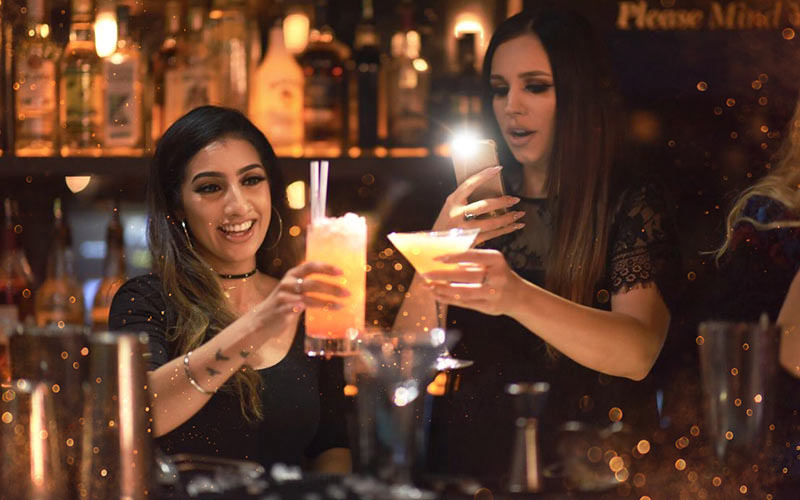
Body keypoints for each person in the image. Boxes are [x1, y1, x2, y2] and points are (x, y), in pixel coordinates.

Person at [394, 6, 677, 482]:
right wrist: (436, 257)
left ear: (580, 94)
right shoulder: (468, 203)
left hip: (584, 468)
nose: (512, 106)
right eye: (500, 89)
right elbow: (404, 367)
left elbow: (637, 353)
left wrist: (517, 296)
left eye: (536, 86)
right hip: (470, 465)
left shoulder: (628, 203)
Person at [109, 106, 351, 473]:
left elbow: (331, 445)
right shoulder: (145, 299)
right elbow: (142, 413)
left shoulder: (306, 305)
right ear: (177, 207)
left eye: (251, 180)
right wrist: (259, 325)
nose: (237, 206)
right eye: (210, 188)